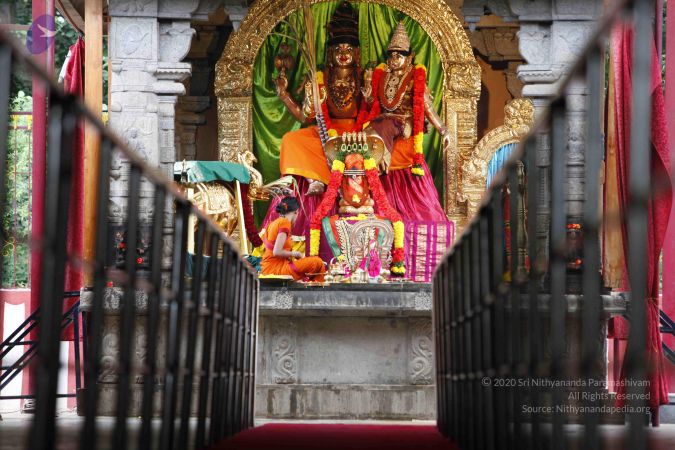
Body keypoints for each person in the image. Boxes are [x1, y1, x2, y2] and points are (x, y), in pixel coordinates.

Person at [359, 22, 450, 222]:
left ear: (409, 57)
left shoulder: (415, 78)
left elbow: (427, 108)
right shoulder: (382, 76)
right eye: (391, 56)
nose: (394, 60)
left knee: (382, 127)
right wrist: (368, 95)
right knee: (365, 134)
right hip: (383, 120)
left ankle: (381, 159)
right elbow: (376, 104)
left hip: (404, 122)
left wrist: (443, 130)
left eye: (399, 56)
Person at [261, 197, 326, 281]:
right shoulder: (285, 222)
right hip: (276, 269)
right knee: (317, 262)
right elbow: (276, 252)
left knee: (312, 263)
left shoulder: (272, 223)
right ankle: (319, 288)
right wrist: (295, 254)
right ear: (296, 211)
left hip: (268, 268)